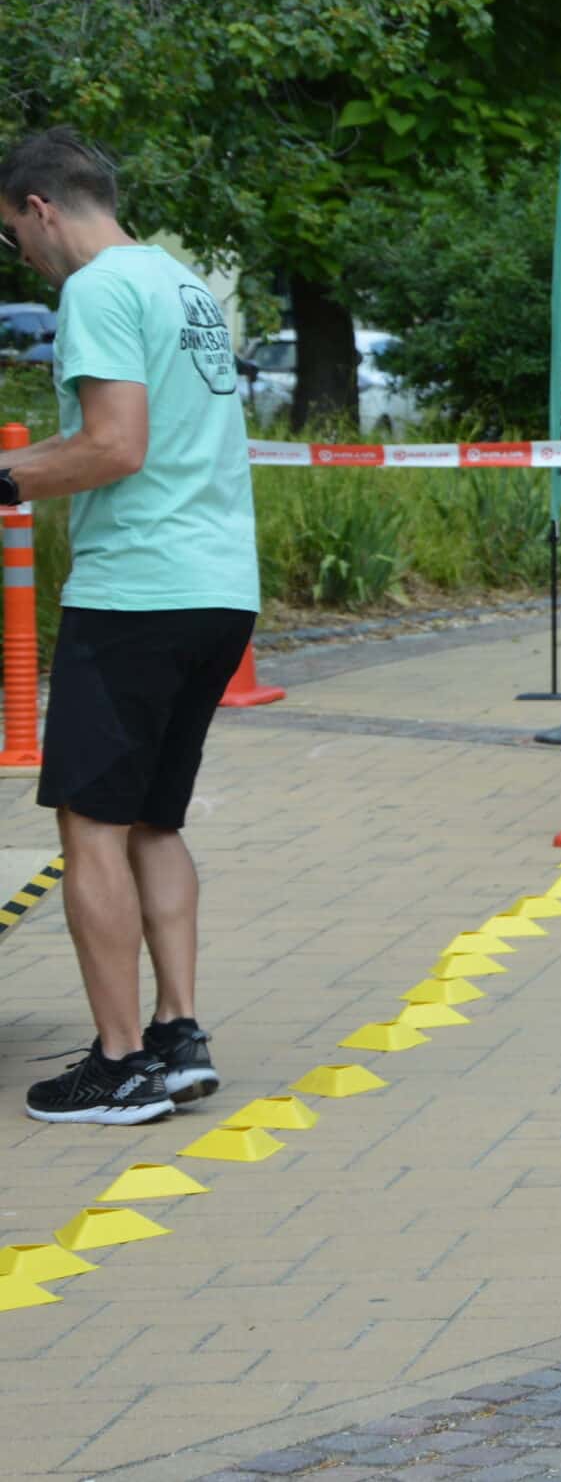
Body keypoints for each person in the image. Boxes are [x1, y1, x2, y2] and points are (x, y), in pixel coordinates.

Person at [0, 127, 257, 1125]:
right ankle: (177, 1036)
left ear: (40, 208)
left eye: (11, 234)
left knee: (90, 825)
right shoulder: (181, 283)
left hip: (138, 591)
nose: (21, 254)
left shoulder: (97, 289)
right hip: (219, 586)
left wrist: (9, 478)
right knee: (154, 818)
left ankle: (117, 1065)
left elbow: (114, 445)